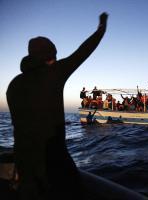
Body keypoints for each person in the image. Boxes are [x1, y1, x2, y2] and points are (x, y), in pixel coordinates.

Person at [6, 12, 108, 200]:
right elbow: (83, 51)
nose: (56, 59)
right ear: (48, 57)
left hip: (24, 165)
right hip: (53, 163)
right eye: (54, 55)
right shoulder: (52, 74)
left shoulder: (13, 85)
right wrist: (101, 28)